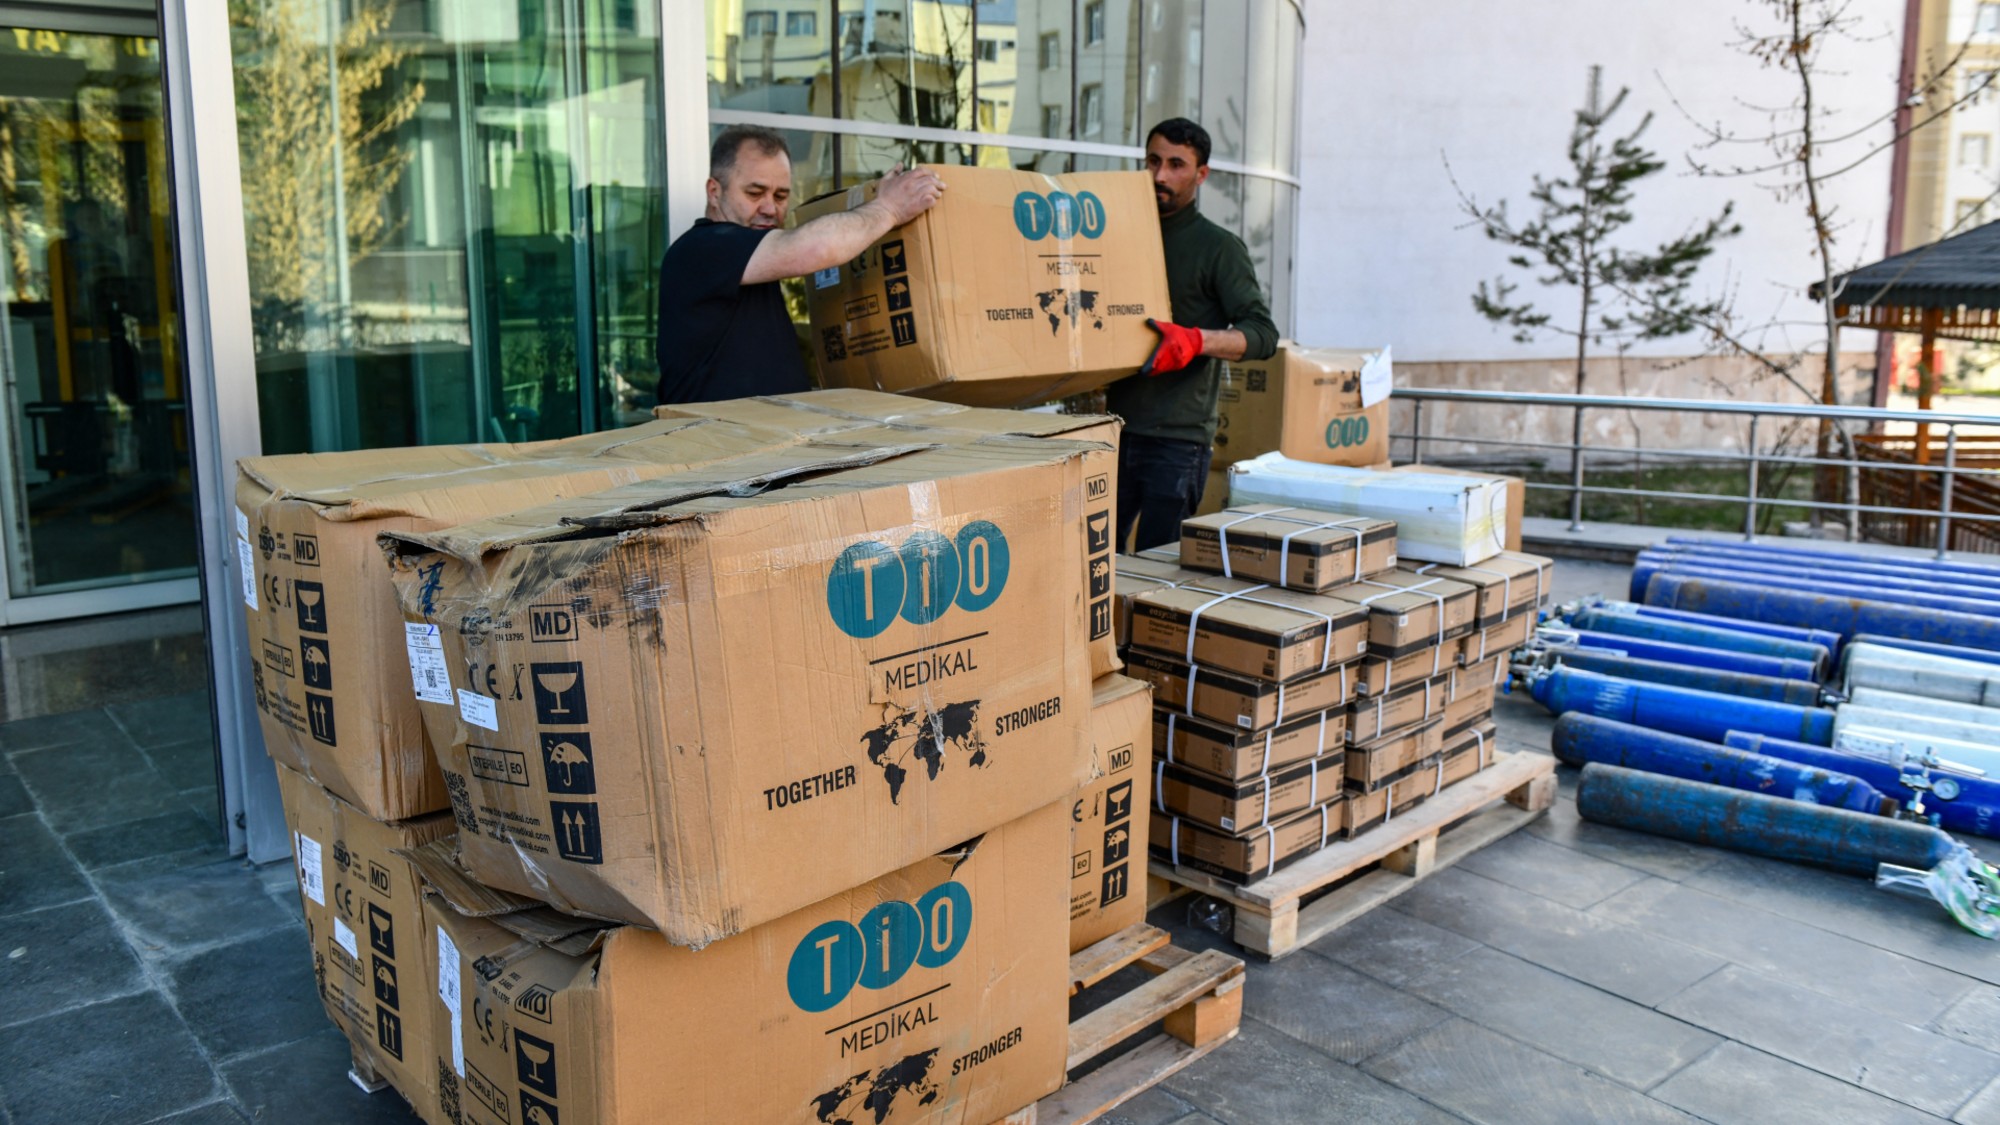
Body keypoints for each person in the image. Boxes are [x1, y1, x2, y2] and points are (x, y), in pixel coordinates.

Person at [656, 126, 946, 405]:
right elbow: (816, 248)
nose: (770, 208)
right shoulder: (702, 247)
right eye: (755, 193)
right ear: (714, 192)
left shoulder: (751, 261)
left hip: (764, 445)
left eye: (780, 196)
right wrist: (889, 207)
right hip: (715, 448)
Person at [1105, 118, 1278, 550]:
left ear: (1201, 175)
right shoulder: (1118, 237)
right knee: (1096, 566)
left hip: (1178, 442)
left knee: (1154, 575)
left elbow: (1263, 335)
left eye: (1176, 165)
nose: (1160, 176)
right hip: (1113, 430)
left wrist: (1198, 340)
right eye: (1153, 161)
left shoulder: (1218, 248)